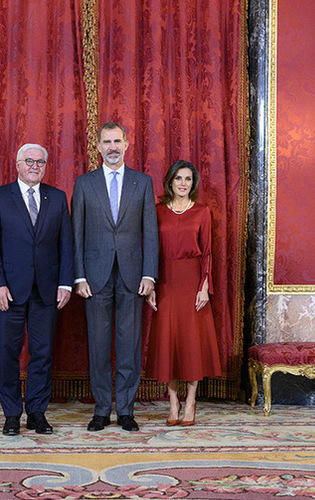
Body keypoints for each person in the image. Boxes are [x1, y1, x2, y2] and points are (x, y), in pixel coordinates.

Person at [0, 143, 74, 436]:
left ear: (46, 167)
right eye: (29, 161)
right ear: (18, 164)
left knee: (42, 353)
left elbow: (66, 245)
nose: (35, 166)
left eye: (40, 162)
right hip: (8, 291)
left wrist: (65, 283)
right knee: (8, 352)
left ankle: (36, 413)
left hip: (46, 291)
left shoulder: (57, 198)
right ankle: (11, 414)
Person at [71, 122, 158, 432]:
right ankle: (100, 409)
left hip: (133, 277)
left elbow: (151, 231)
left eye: (117, 141)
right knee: (98, 346)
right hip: (94, 277)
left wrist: (150, 274)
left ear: (127, 144)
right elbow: (76, 234)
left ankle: (125, 410)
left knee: (129, 345)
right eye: (106, 141)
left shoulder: (142, 182)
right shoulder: (84, 183)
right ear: (97, 147)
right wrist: (78, 276)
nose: (112, 147)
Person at [144, 161, 221, 427]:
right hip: (164, 281)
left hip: (192, 282)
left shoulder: (201, 212)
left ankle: (190, 402)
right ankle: (173, 403)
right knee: (169, 343)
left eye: (188, 179)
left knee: (190, 344)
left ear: (193, 183)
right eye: (178, 178)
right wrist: (151, 285)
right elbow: (149, 251)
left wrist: (204, 287)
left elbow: (208, 251)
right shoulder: (157, 212)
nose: (183, 183)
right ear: (170, 181)